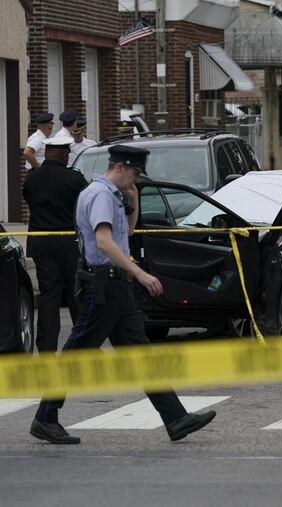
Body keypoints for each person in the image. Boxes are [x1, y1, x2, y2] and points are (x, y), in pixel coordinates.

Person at [30, 145, 216, 445]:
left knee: (139, 353)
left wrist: (134, 200)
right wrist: (141, 274)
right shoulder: (101, 195)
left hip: (116, 288)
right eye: (135, 173)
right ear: (120, 167)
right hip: (102, 287)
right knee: (77, 354)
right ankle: (45, 417)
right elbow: (104, 242)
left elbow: (125, 235)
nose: (137, 179)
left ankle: (176, 418)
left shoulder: (110, 194)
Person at [22, 135, 87, 353]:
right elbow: (85, 205)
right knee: (75, 291)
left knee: (49, 295)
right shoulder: (74, 179)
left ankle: (46, 347)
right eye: (67, 153)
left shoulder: (31, 178)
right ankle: (81, 344)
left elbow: (29, 200)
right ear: (61, 154)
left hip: (41, 241)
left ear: (47, 153)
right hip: (68, 240)